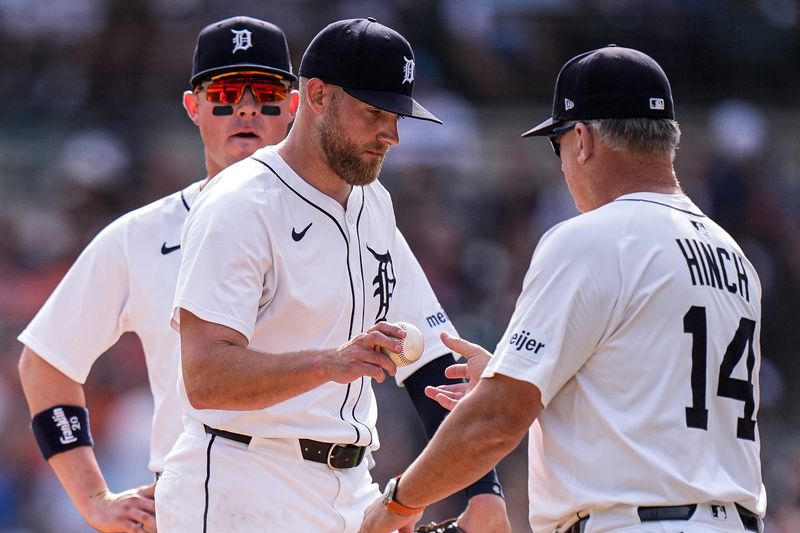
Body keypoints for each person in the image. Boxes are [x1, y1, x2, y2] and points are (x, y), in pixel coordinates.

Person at [360, 45, 766, 533]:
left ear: (583, 139)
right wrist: (525, 375)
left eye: (557, 145)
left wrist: (396, 505)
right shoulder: (735, 257)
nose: (562, 163)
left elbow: (494, 422)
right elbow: (658, 397)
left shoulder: (593, 238)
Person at [155, 17, 509, 533]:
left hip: (350, 487)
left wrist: (482, 490)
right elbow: (205, 377)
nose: (391, 135)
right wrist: (329, 362)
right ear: (317, 95)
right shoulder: (240, 203)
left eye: (397, 116)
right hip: (241, 479)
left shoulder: (373, 202)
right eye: (373, 112)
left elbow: (435, 360)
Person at [17, 16, 299, 533]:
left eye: (266, 91)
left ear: (295, 106)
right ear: (193, 107)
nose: (246, 107)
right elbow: (44, 364)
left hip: (320, 497)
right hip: (194, 504)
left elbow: (431, 357)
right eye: (225, 91)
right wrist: (94, 498)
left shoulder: (349, 222)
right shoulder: (140, 235)